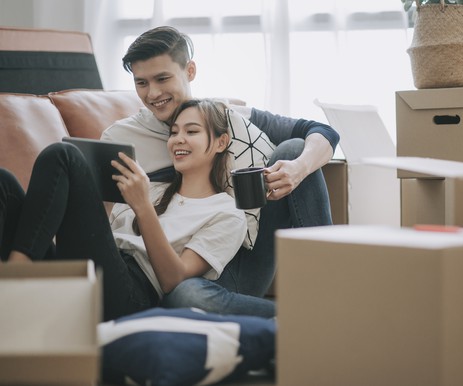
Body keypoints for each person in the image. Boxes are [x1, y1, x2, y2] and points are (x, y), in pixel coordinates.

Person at [101, 26, 340, 318]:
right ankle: (296, 319)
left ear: (190, 71)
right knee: (184, 291)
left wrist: (297, 169)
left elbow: (322, 131)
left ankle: (330, 297)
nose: (153, 93)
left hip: (241, 258)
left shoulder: (230, 118)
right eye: (141, 83)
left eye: (163, 78)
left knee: (293, 149)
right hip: (174, 271)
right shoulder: (120, 140)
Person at [0, 99, 247, 322]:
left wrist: (142, 207)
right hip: (91, 270)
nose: (178, 139)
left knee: (64, 155)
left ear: (221, 142)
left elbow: (174, 280)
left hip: (132, 295)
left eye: (191, 131)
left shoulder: (228, 213)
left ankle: (14, 282)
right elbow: (99, 237)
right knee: (4, 184)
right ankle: (20, 281)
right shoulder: (151, 188)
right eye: (173, 133)